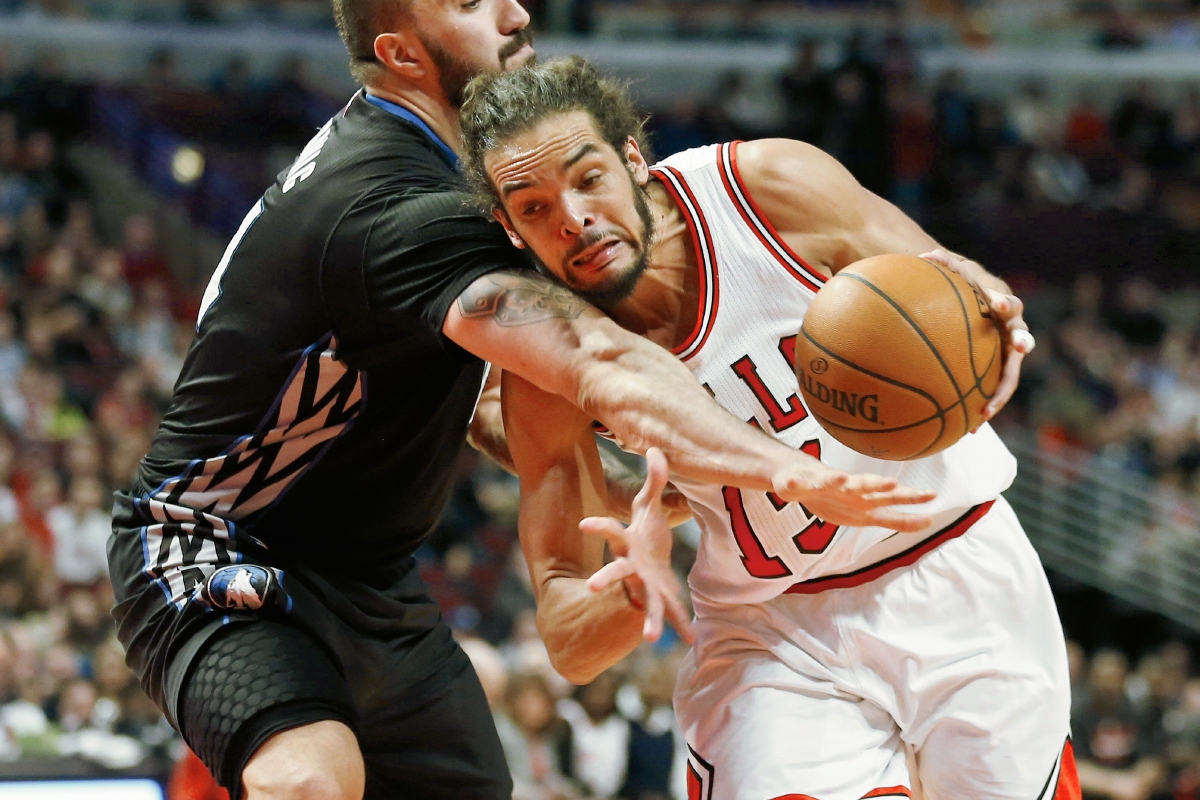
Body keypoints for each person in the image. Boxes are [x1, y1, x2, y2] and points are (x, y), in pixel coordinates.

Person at [107, 7, 937, 800]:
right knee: (308, 778)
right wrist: (783, 470)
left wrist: (640, 484)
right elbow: (599, 358)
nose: (514, 13)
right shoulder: (396, 209)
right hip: (213, 540)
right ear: (400, 54)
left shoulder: (442, 170)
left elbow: (457, 402)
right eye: (472, 2)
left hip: (367, 574)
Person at [458, 57, 1077, 799]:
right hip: (771, 632)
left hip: (958, 562)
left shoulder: (767, 190)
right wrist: (628, 590)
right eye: (533, 208)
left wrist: (994, 309)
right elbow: (568, 635)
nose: (572, 218)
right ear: (510, 227)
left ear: (632, 158)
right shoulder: (546, 357)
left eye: (587, 178)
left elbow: (949, 281)